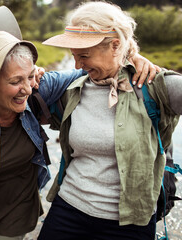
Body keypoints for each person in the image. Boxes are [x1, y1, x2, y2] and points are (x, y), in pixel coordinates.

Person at [0, 31, 158, 240]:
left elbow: (93, 68)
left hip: (17, 210)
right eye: (16, 81)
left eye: (30, 76)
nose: (27, 89)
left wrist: (132, 57)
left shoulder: (39, 89)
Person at [37, 2, 182, 240]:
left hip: (130, 223)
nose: (77, 66)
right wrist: (31, 72)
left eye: (84, 56)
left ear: (115, 45)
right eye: (73, 57)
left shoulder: (155, 86)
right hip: (69, 208)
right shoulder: (73, 89)